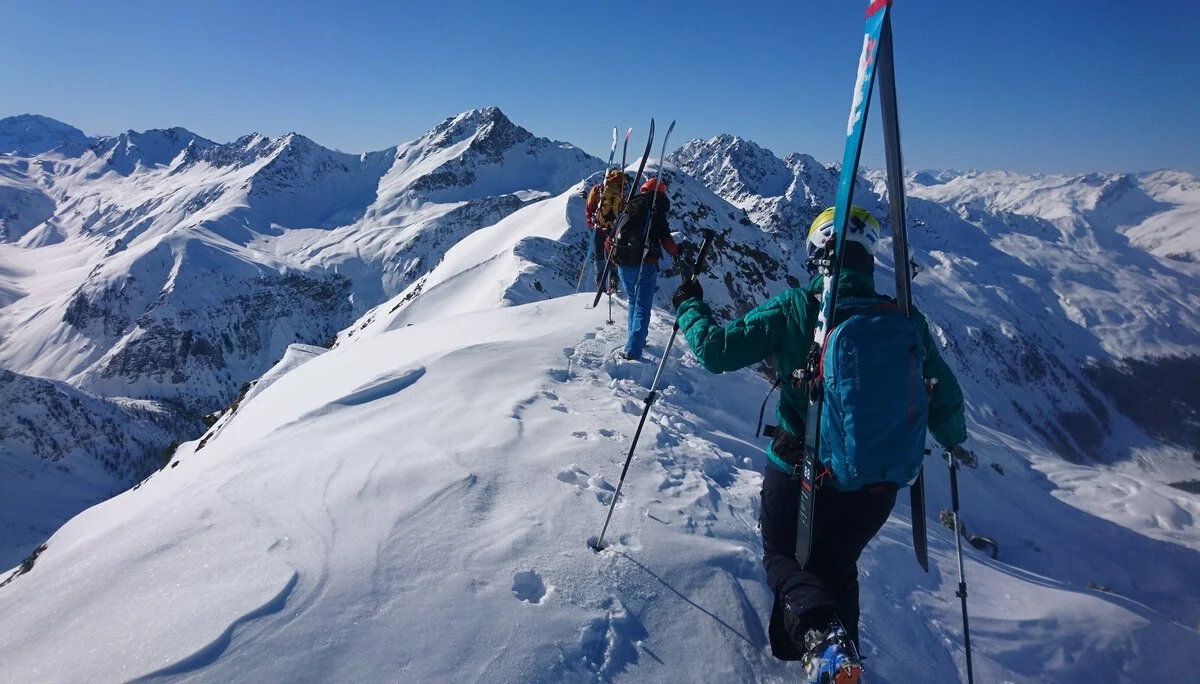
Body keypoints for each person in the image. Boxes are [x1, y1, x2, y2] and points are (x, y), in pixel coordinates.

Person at [670, 206, 967, 679]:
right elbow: (946, 398)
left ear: (815, 255)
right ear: (868, 257)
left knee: (783, 558)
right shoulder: (904, 319)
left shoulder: (796, 309)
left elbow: (714, 350)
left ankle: (822, 640)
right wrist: (955, 442)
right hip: (876, 485)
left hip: (801, 474)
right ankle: (842, 660)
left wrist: (688, 302)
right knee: (839, 563)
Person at [609, 177, 678, 360]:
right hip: (645, 263)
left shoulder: (630, 205)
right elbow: (666, 239)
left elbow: (612, 236)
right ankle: (633, 350)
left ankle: (635, 339)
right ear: (661, 193)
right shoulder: (656, 209)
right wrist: (676, 253)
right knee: (642, 307)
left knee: (633, 301)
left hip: (623, 262)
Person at [584, 169, 628, 292]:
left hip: (599, 228)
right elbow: (624, 211)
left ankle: (600, 283)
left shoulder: (598, 190)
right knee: (613, 254)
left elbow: (589, 209)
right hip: (613, 228)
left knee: (599, 256)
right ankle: (614, 281)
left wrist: (593, 224)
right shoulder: (620, 193)